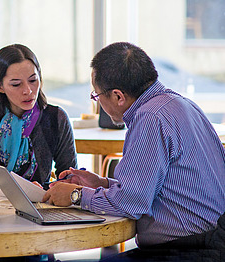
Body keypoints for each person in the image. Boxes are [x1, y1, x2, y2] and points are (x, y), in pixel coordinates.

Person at [43, 42, 225, 260]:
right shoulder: (181, 104)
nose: (98, 102)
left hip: (189, 250)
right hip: (210, 241)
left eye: (96, 95)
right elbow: (154, 188)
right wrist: (101, 184)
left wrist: (75, 195)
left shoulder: (150, 118)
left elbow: (131, 204)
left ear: (118, 96)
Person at [0, 44, 77, 189]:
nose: (28, 90)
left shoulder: (56, 118)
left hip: (41, 204)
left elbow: (69, 177)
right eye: (16, 84)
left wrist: (48, 188)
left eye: (33, 80)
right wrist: (24, 189)